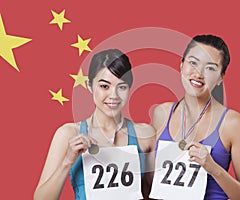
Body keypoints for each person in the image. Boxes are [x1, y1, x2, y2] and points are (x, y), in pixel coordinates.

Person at [34, 49, 155, 200]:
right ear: (90, 85)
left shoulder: (145, 135)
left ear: (129, 88)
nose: (113, 95)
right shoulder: (69, 134)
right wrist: (67, 161)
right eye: (104, 86)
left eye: (122, 87)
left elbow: (156, 193)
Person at [152, 35, 240, 200]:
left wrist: (212, 168)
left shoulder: (233, 123)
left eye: (210, 68)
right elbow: (147, 178)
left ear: (220, 78)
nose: (198, 73)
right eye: (193, 62)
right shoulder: (162, 113)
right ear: (181, 65)